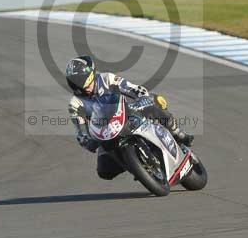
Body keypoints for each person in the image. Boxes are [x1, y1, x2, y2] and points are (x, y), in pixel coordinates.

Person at [65, 55, 194, 180]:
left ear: (93, 75)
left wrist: (142, 97)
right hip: (105, 133)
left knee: (156, 101)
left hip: (128, 113)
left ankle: (177, 132)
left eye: (89, 84)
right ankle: (136, 165)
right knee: (104, 171)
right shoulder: (75, 104)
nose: (88, 89)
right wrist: (87, 141)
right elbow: (80, 130)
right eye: (82, 86)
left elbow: (132, 88)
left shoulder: (107, 79)